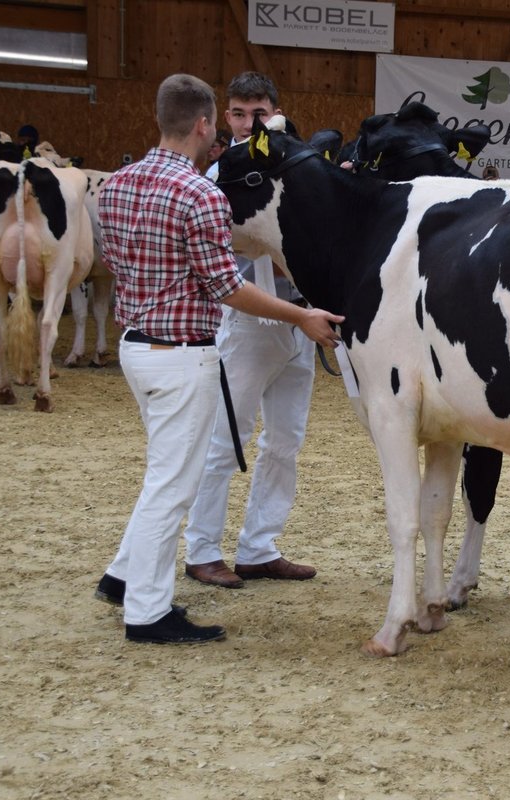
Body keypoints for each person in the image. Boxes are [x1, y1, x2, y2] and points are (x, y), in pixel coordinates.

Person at [94, 74, 342, 645]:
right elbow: (226, 285)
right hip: (189, 348)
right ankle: (148, 612)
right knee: (176, 481)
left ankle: (122, 575)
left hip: (140, 343)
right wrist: (301, 315)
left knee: (170, 471)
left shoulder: (116, 184)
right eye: (234, 114)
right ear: (209, 123)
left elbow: (112, 260)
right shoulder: (202, 190)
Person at [181, 71, 319, 590]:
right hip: (246, 321)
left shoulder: (297, 166)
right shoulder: (221, 175)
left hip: (301, 318)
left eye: (258, 113)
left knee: (286, 439)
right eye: (238, 114)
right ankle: (201, 550)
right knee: (226, 439)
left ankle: (259, 547)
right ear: (225, 117)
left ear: (275, 114)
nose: (247, 123)